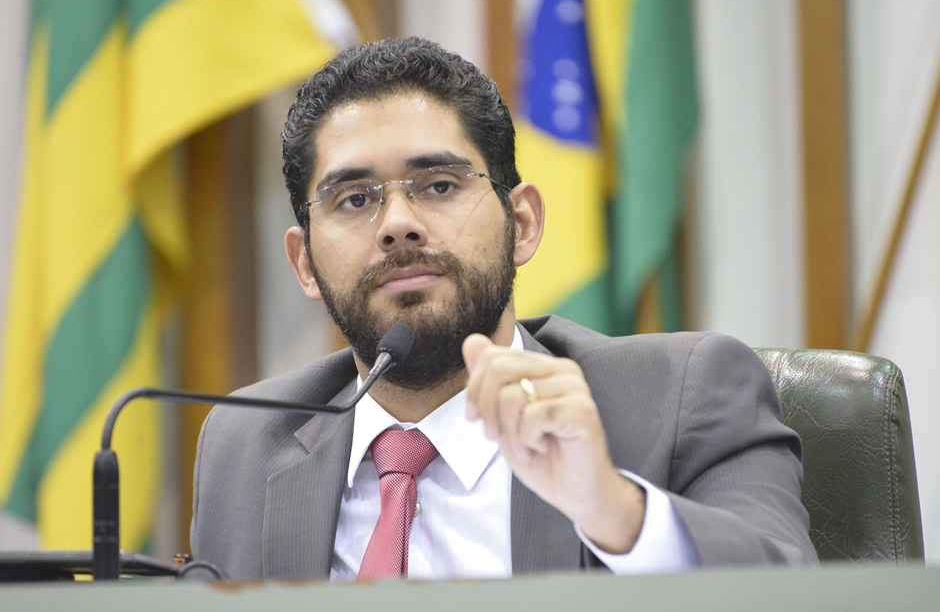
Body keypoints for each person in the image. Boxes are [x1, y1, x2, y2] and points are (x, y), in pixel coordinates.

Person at [190, 36, 817, 581]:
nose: (398, 224)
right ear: (304, 264)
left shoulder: (679, 397)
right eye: (354, 199)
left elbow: (794, 598)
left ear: (522, 224)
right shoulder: (246, 445)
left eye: (439, 185)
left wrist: (612, 509)